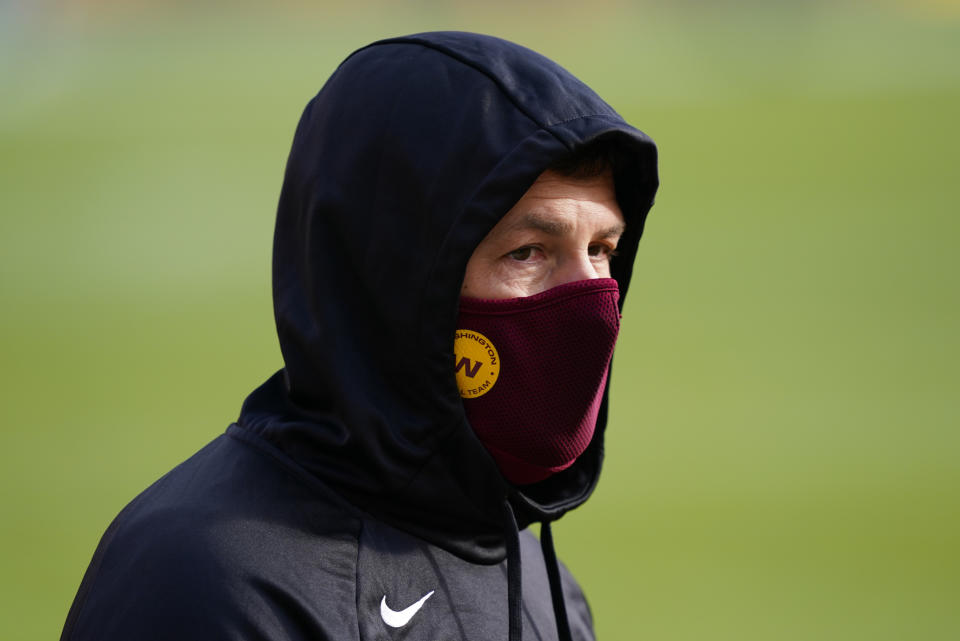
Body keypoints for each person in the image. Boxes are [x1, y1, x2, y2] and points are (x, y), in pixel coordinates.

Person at [60, 31, 658, 641]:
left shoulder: (536, 578)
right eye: (528, 253)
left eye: (601, 250)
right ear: (396, 277)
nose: (589, 304)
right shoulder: (204, 584)